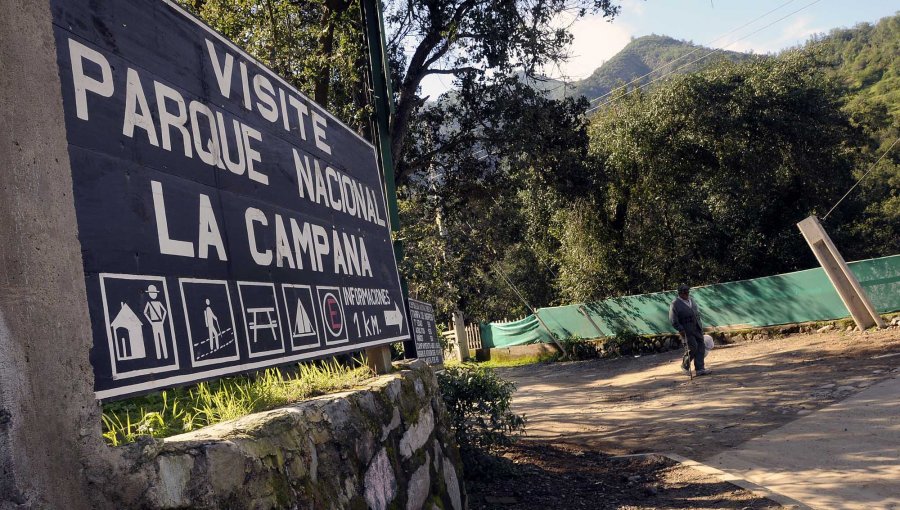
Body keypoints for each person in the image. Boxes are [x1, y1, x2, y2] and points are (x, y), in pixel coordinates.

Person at [669, 284, 708, 376]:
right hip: (686, 330)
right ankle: (685, 365)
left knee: (700, 347)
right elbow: (673, 319)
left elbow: (696, 314)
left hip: (697, 328)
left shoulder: (692, 300)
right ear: (680, 293)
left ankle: (700, 369)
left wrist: (700, 326)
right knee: (693, 347)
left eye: (687, 291)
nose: (686, 293)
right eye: (684, 292)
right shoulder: (675, 303)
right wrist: (680, 328)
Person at [144, 284, 169, 360]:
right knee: (156, 340)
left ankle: (165, 355)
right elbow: (145, 313)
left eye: (154, 293)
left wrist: (162, 320)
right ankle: (159, 356)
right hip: (154, 323)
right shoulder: (149, 303)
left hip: (160, 323)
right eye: (151, 293)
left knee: (162, 339)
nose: (153, 294)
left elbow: (165, 311)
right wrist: (151, 322)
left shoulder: (158, 303)